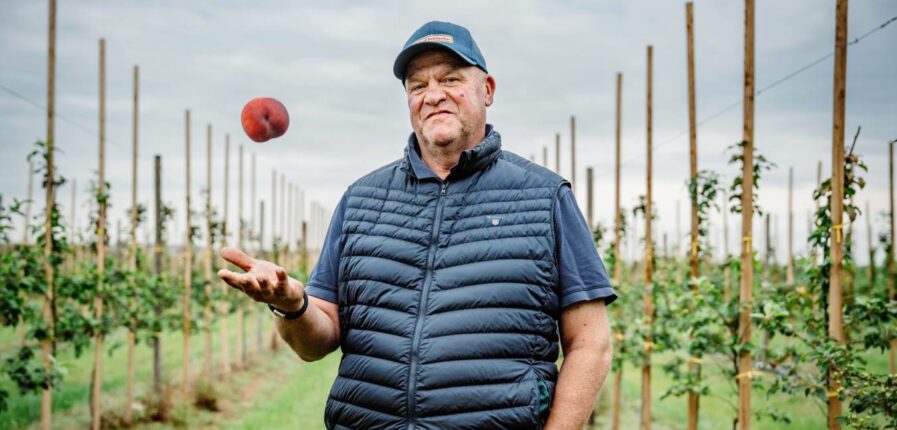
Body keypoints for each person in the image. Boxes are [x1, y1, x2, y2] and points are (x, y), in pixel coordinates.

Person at [218, 20, 616, 430]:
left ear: (488, 90)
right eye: (418, 85)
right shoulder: (361, 200)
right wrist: (291, 306)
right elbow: (316, 342)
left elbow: (591, 343)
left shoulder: (544, 197)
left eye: (450, 78)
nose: (434, 95)